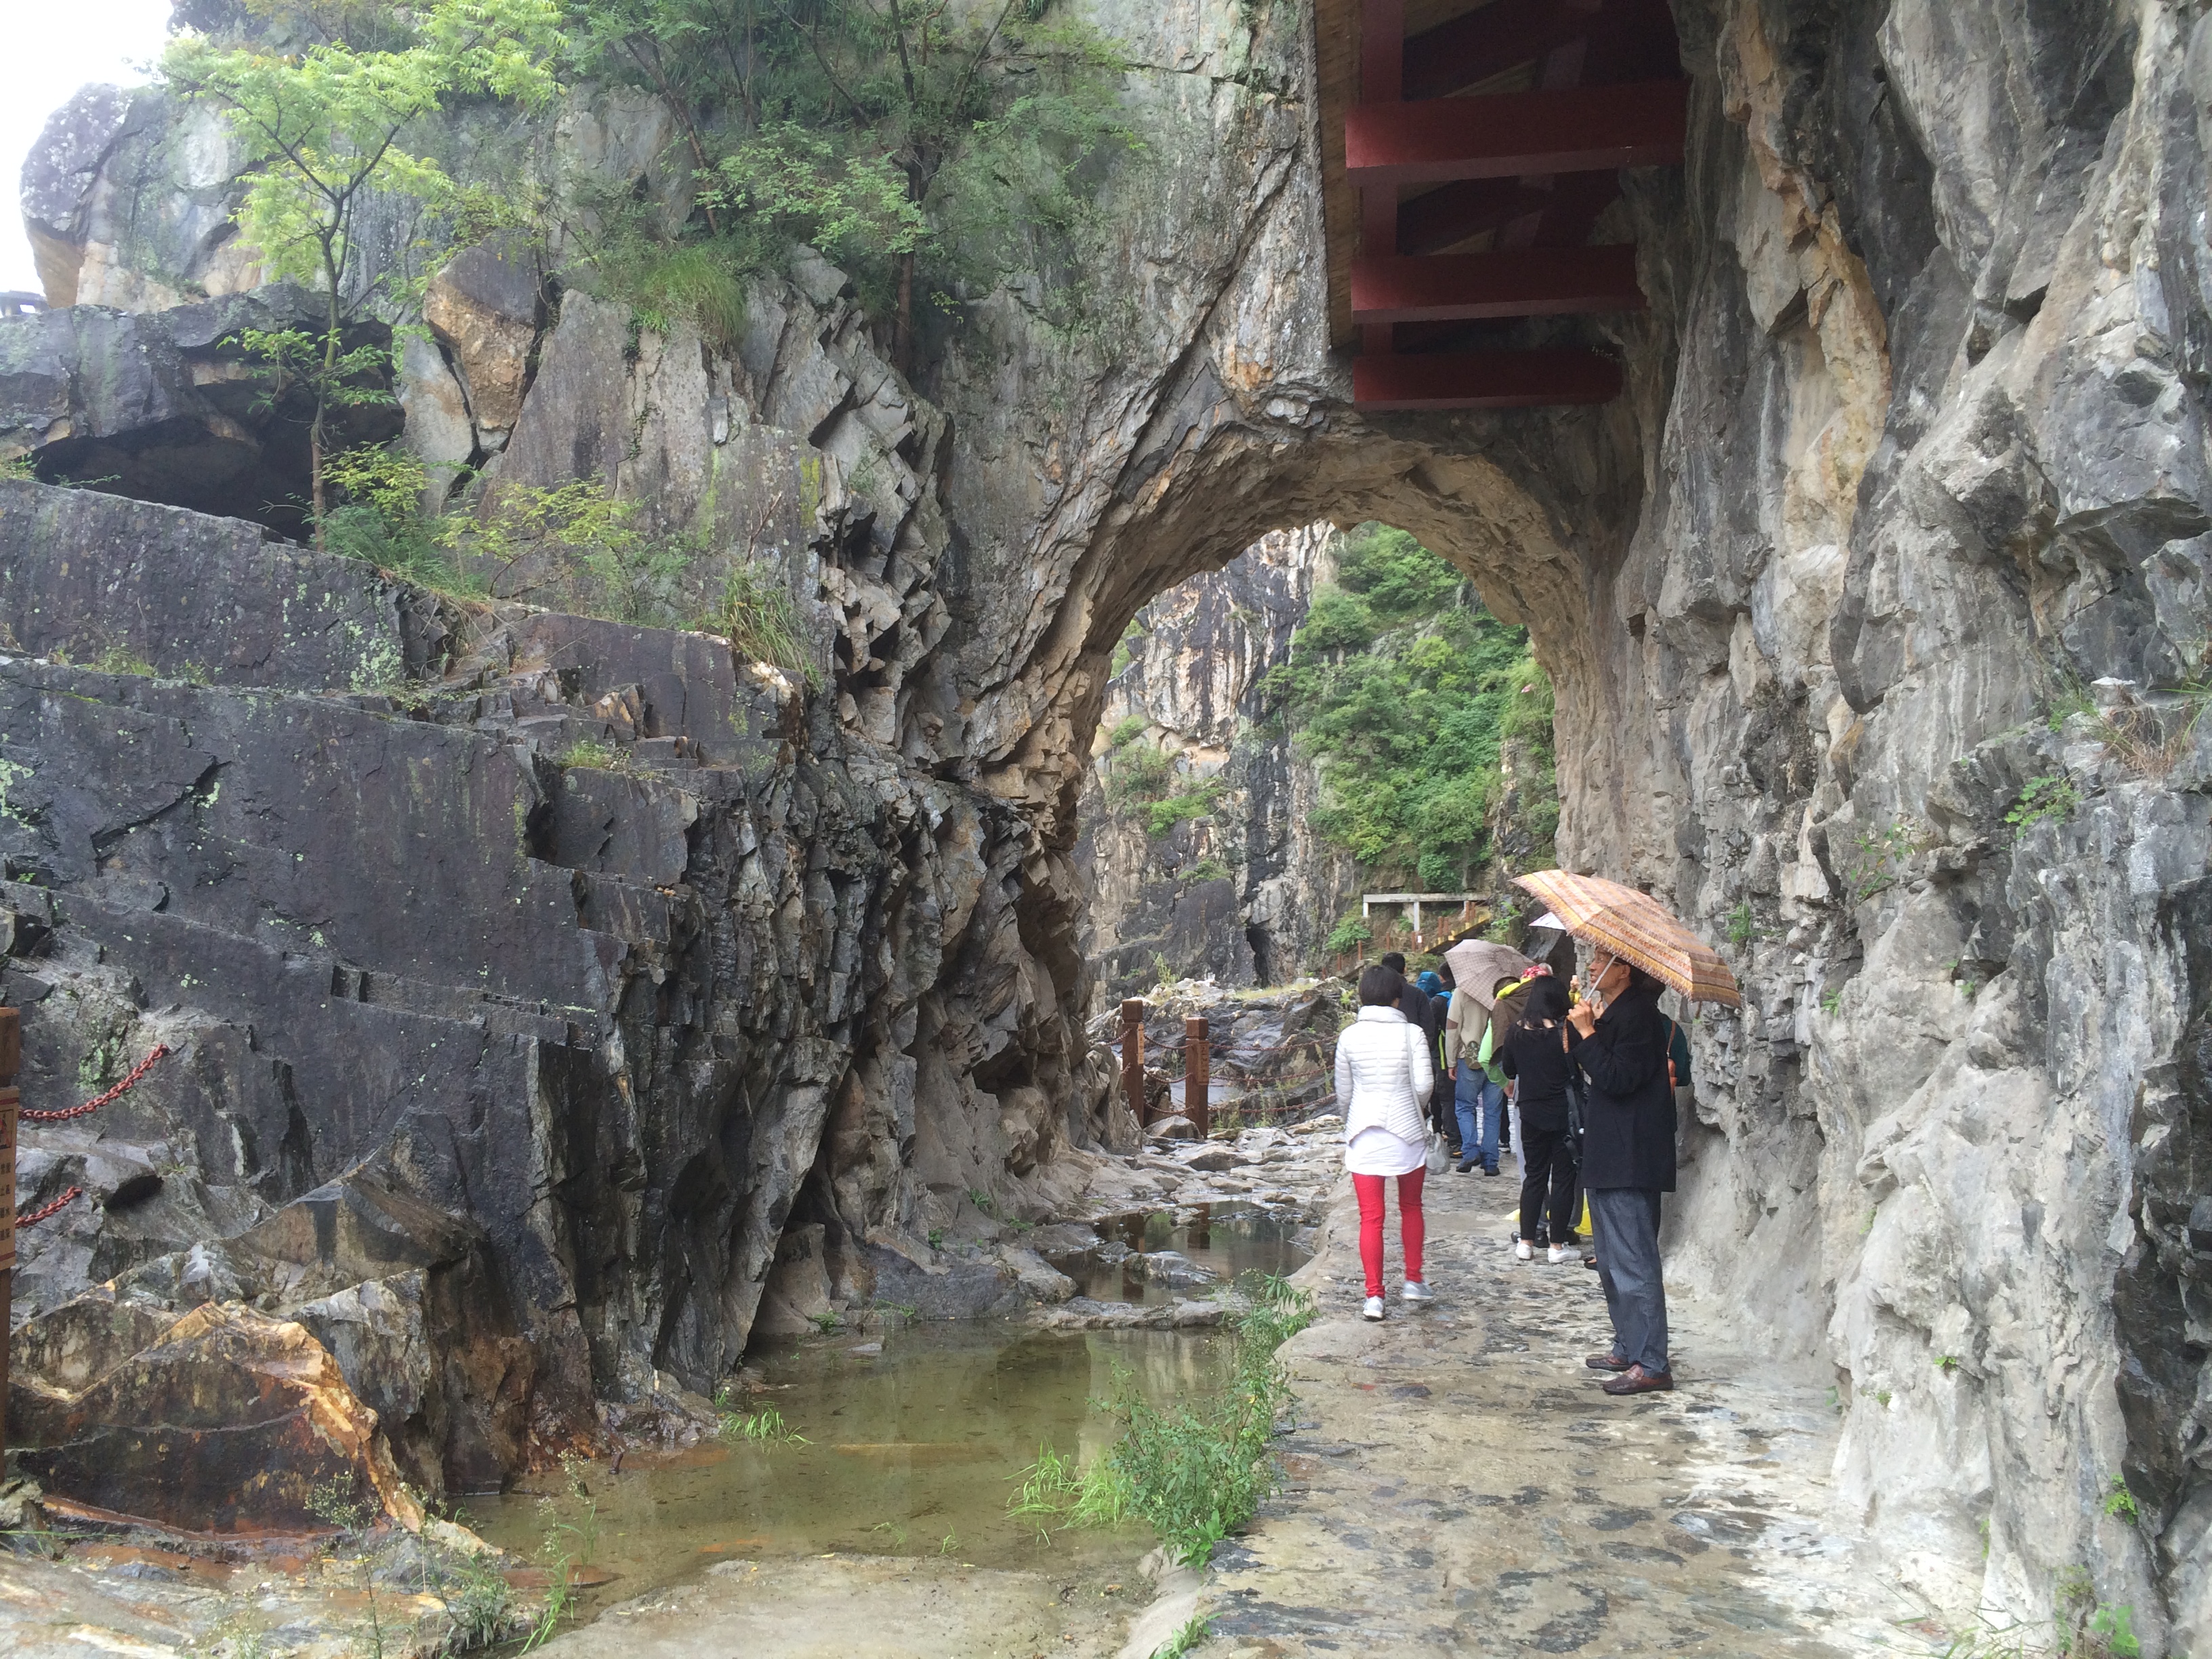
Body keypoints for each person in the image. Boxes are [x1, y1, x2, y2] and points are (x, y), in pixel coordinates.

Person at [1566, 952, 1677, 1395]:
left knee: (1635, 1263)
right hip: (1611, 1153)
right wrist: (1582, 1029)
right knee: (1612, 1262)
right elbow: (1592, 1066)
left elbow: (1617, 1078)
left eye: (1600, 961)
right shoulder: (1618, 1014)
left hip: (1631, 1158)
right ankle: (1628, 1345)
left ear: (1624, 970)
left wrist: (1588, 1032)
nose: (1592, 966)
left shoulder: (1642, 1019)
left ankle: (1652, 1363)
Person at [1334, 963, 1436, 1320]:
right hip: (1406, 1134)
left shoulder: (1348, 1037)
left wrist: (1351, 1120)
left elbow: (1343, 1094)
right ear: (1398, 997)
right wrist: (1414, 1110)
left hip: (1364, 1133)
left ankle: (1374, 1297)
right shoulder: (1412, 1034)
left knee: (1370, 1218)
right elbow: (1424, 1086)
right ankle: (1413, 1280)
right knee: (1411, 1207)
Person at [1500, 977, 1576, 1263]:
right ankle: (1557, 1245)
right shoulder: (1565, 1034)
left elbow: (1509, 1069)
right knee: (1564, 1178)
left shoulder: (1515, 1032)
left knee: (1534, 1177)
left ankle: (1526, 1242)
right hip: (1562, 1113)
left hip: (1529, 1111)